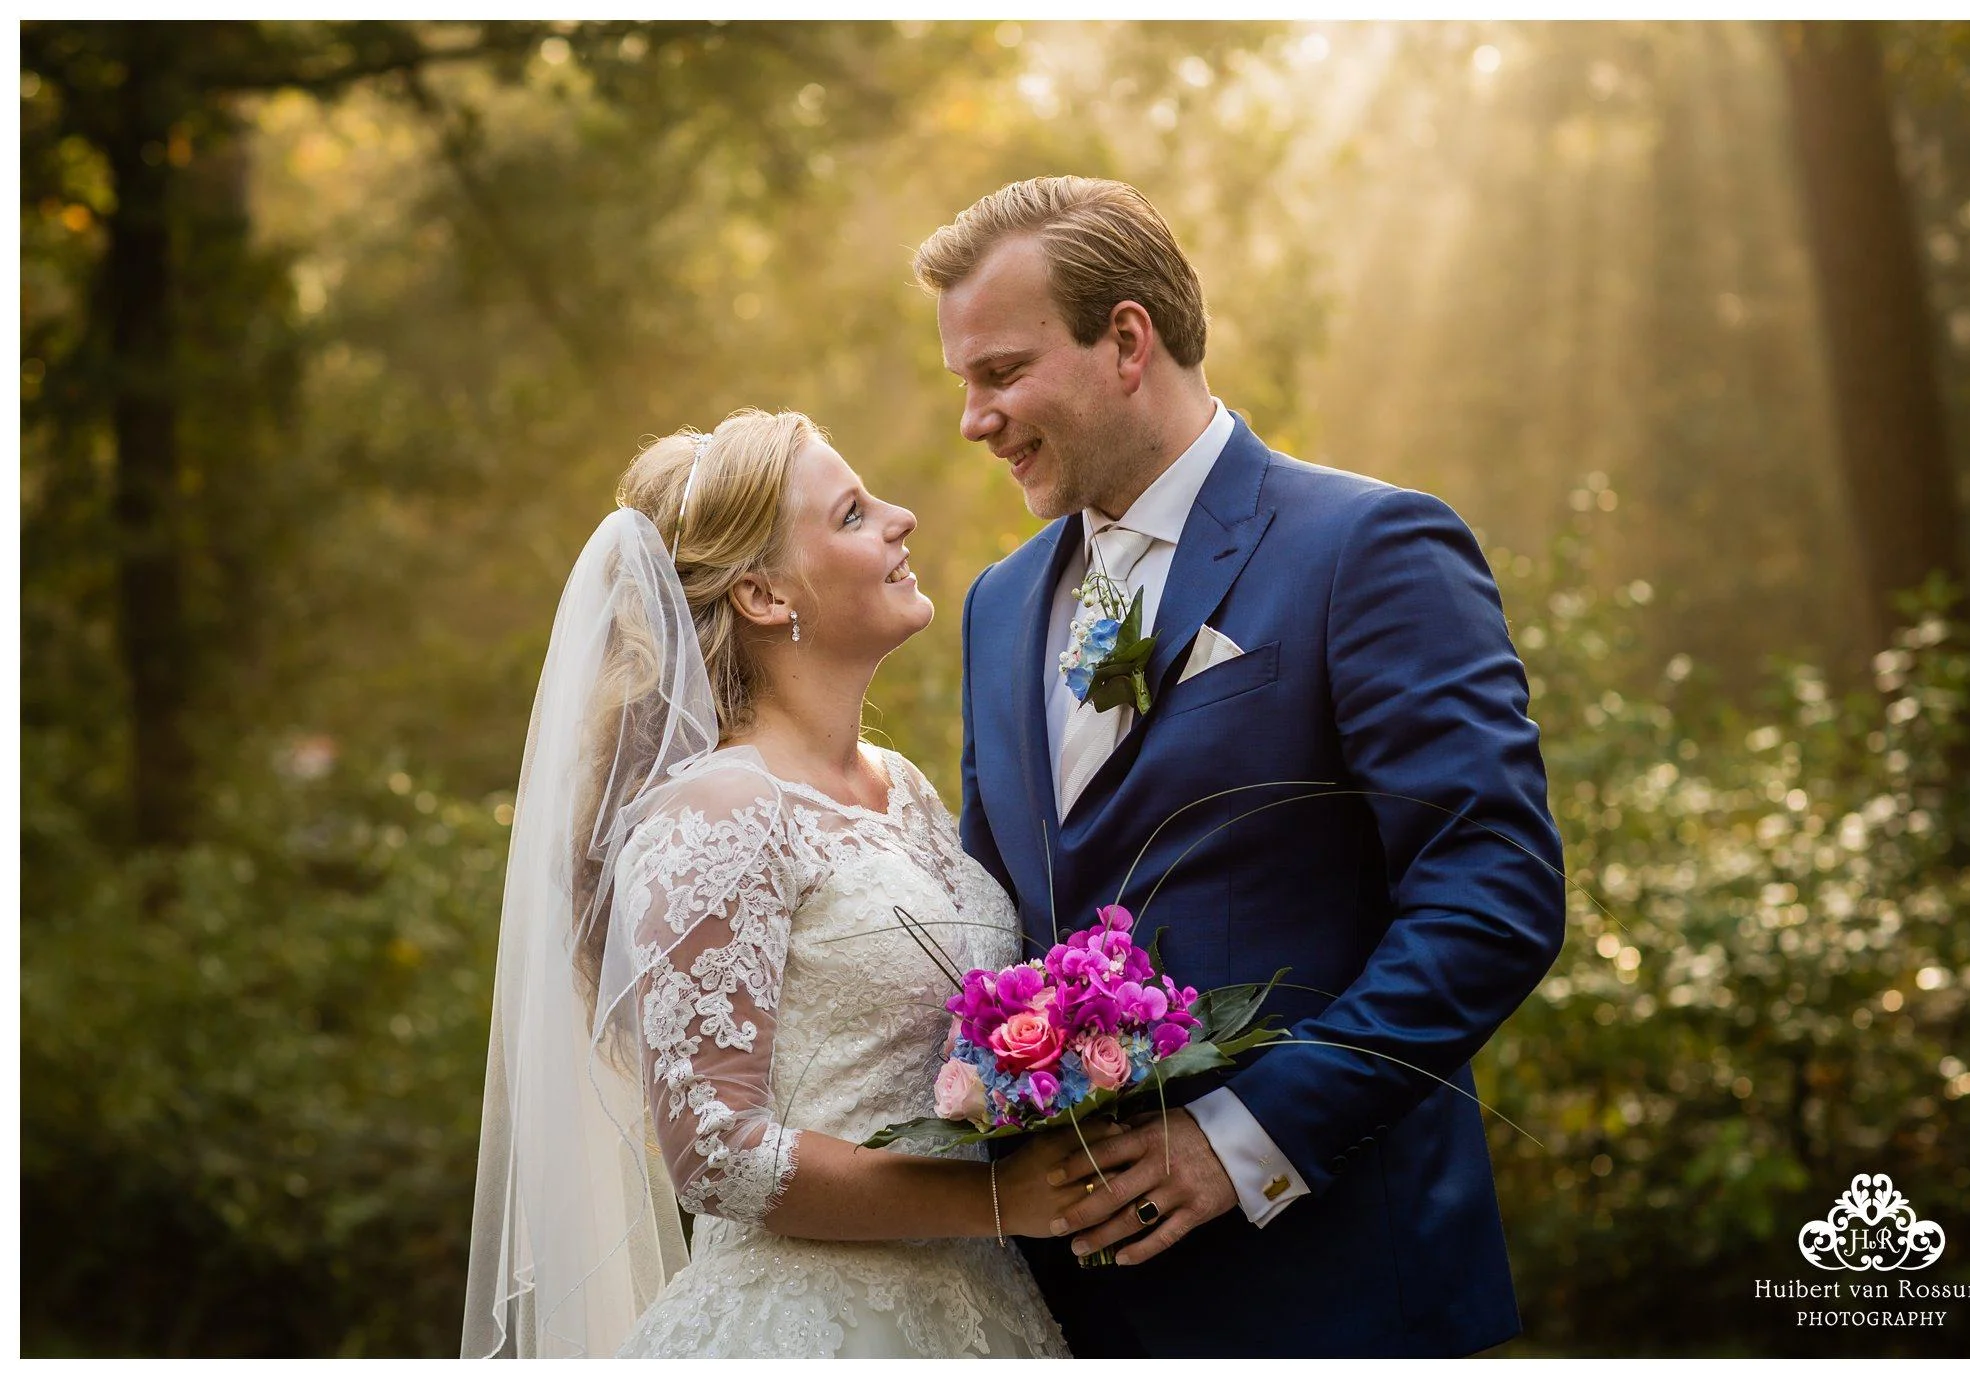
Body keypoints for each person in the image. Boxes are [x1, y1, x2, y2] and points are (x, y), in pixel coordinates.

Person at [921, 176, 1567, 1356]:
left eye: (1001, 372)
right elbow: (995, 921)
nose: (973, 417)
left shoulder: (1365, 547)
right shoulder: (996, 605)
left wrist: (1241, 1139)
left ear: (1127, 339)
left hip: (1335, 1291)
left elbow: (1493, 893)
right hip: (1068, 1310)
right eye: (963, 381)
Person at [459, 408, 1079, 1358]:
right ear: (762, 593)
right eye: (852, 515)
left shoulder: (899, 786)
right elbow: (715, 1149)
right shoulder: (716, 811)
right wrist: (996, 1199)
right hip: (807, 1321)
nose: (902, 517)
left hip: (978, 1303)